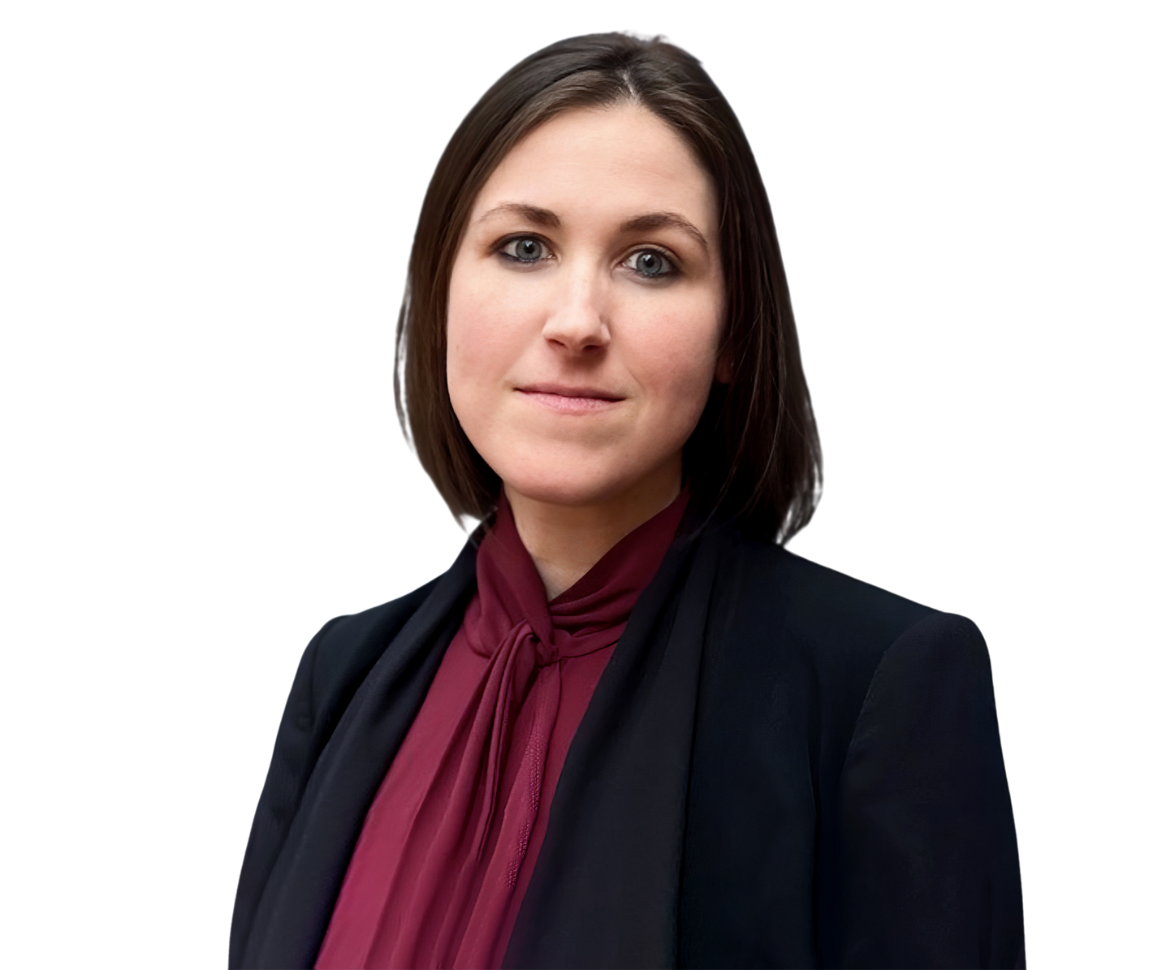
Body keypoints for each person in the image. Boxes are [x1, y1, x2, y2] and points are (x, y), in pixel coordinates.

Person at [229, 30, 1026, 970]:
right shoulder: (341, 673)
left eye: (651, 261)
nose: (576, 323)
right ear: (441, 289)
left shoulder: (879, 686)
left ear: (735, 332)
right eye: (523, 247)